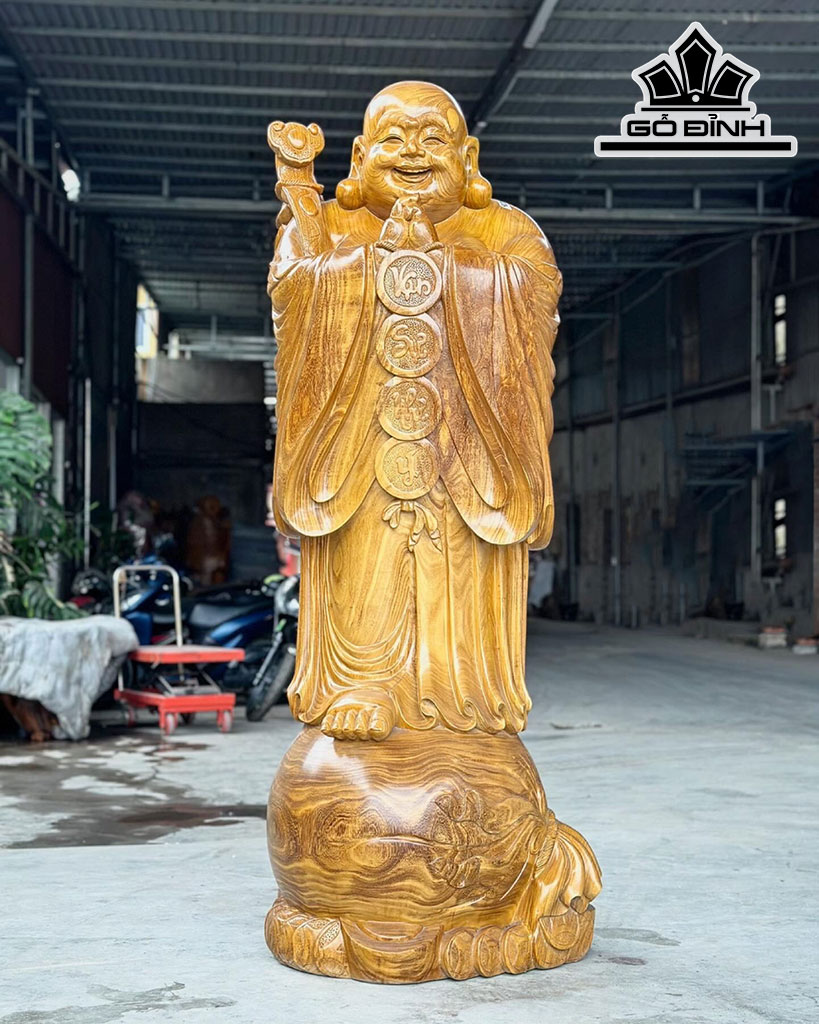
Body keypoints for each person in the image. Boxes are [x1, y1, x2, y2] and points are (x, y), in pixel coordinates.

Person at [269, 81, 561, 741]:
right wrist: (363, 259)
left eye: (433, 139)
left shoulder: (507, 230)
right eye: (393, 139)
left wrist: (436, 262)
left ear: (468, 157)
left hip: (467, 449)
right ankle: (361, 683)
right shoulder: (332, 226)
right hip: (361, 444)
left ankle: (464, 693)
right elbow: (290, 290)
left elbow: (536, 297)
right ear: (358, 156)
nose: (412, 153)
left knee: (456, 570)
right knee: (367, 567)